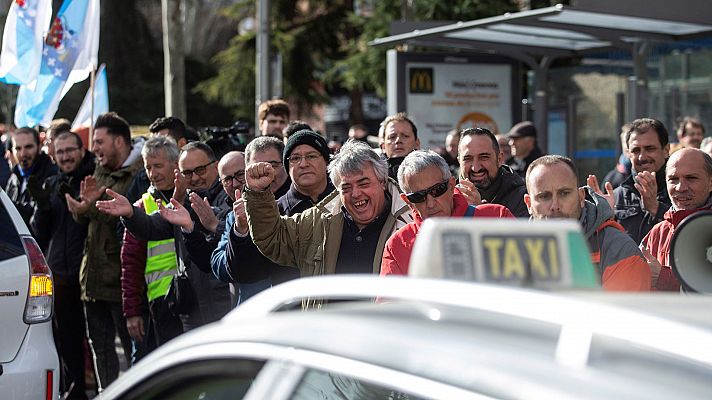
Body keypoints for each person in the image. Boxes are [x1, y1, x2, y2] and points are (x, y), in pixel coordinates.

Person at [99, 142, 232, 331]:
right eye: (187, 173)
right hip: (190, 305)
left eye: (200, 170)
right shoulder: (183, 202)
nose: (194, 178)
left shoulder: (231, 196)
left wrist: (214, 224)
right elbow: (153, 225)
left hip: (225, 301)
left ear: (215, 166)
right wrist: (130, 213)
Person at [243, 140, 413, 280]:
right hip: (323, 322)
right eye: (346, 187)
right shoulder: (318, 222)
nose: (355, 193)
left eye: (364, 183)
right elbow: (272, 238)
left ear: (382, 182)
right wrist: (258, 193)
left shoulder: (409, 223)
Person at [64, 112, 142, 390]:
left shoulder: (139, 175)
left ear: (119, 142)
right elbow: (90, 217)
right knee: (101, 350)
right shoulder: (99, 171)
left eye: (99, 142)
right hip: (94, 279)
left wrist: (93, 207)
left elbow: (128, 219)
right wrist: (82, 210)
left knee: (134, 352)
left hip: (122, 281)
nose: (94, 148)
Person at [524, 155, 650, 291]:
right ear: (529, 204)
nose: (555, 205)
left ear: (581, 197)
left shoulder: (619, 248)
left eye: (564, 193)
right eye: (544, 196)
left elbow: (620, 311)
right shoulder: (511, 247)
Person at [30, 131, 94, 400]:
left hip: (90, 278)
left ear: (81, 150)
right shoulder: (50, 183)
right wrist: (43, 207)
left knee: (96, 344)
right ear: (53, 156)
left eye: (70, 150)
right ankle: (74, 393)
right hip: (61, 279)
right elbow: (38, 235)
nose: (66, 156)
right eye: (60, 152)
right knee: (66, 345)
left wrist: (84, 206)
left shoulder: (94, 179)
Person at [381, 151, 513, 276]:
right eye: (418, 197)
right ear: (408, 201)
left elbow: (528, 276)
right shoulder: (397, 245)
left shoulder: (497, 218)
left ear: (451, 185)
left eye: (437, 190)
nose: (430, 203)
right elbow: (389, 300)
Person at [120, 136, 184, 362]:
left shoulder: (191, 196)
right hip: (160, 303)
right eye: (148, 167)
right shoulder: (141, 206)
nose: (152, 172)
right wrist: (133, 312)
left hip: (192, 299)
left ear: (176, 164)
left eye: (158, 165)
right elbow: (130, 264)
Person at [641, 148, 712, 291]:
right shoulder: (657, 232)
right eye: (673, 179)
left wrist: (664, 278)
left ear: (711, 183)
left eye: (691, 178)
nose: (681, 188)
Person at [609, 118, 672, 244]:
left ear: (665, 150)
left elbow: (690, 235)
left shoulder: (682, 191)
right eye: (636, 150)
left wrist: (657, 209)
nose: (642, 157)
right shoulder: (616, 197)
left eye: (650, 149)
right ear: (628, 153)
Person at [457, 127, 529, 217]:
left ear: (499, 159)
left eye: (484, 157)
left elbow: (519, 231)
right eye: (468, 159)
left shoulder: (522, 198)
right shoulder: (447, 197)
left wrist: (480, 211)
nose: (476, 168)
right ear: (459, 161)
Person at [125, 116, 192, 204]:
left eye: (158, 166)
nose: (153, 174)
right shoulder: (141, 179)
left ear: (176, 162)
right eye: (148, 168)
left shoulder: (194, 180)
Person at [6, 127, 58, 226]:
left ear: (39, 147)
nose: (23, 153)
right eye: (18, 148)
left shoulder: (51, 176)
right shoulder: (14, 177)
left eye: (28, 147)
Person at [378, 112, 420, 181]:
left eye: (405, 136)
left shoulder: (430, 172)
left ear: (417, 143)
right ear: (383, 146)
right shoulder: (375, 178)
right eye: (392, 137)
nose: (398, 140)